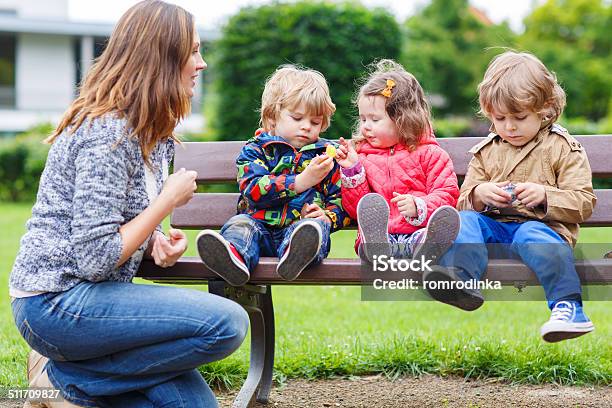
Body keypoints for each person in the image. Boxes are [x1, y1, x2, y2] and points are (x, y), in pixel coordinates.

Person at [9, 1, 248, 406]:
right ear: (161, 58)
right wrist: (165, 203)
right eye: (193, 51)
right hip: (57, 303)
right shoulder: (108, 134)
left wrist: (154, 239)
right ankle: (61, 375)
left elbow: (115, 221)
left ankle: (79, 385)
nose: (202, 63)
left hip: (94, 306)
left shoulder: (150, 133)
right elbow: (95, 258)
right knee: (226, 323)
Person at [429, 51, 596, 343]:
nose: (509, 127)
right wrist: (480, 195)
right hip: (493, 233)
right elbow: (464, 198)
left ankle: (569, 308)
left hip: (542, 234)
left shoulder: (562, 147)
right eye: (500, 118)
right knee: (465, 219)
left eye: (519, 117)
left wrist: (545, 196)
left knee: (532, 232)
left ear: (544, 109)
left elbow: (583, 202)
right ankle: (459, 278)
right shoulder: (486, 151)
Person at [196, 65, 350, 286]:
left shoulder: (327, 157)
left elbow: (343, 200)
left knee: (313, 229)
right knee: (240, 224)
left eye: (315, 122)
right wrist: (300, 182)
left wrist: (327, 216)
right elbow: (253, 189)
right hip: (258, 229)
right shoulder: (257, 150)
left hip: (298, 229)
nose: (306, 127)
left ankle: (295, 255)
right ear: (272, 117)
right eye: (297, 118)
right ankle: (233, 260)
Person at [335, 59, 460, 266]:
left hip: (418, 232)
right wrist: (352, 171)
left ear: (403, 119)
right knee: (372, 240)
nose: (366, 127)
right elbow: (357, 208)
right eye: (363, 119)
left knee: (426, 237)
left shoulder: (430, 154)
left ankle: (426, 248)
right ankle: (376, 248)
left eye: (375, 120)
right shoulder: (362, 156)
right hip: (382, 237)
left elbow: (447, 195)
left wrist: (419, 207)